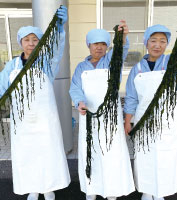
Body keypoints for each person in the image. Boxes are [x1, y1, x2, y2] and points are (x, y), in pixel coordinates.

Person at [0, 6, 70, 200]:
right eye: (26, 40)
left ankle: (48, 188)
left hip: (45, 120)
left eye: (35, 39)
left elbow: (56, 47)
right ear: (20, 43)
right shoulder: (11, 66)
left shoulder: (47, 62)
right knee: (27, 155)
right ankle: (33, 188)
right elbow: (1, 87)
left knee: (47, 153)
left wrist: (59, 29)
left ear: (40, 42)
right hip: (22, 123)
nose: (31, 43)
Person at [124, 21, 177, 200]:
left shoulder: (172, 62)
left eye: (163, 41)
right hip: (143, 120)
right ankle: (147, 191)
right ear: (146, 43)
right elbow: (132, 97)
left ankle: (160, 192)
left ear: (167, 44)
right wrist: (128, 121)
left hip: (167, 121)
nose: (157, 45)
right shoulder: (137, 69)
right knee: (145, 157)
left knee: (165, 157)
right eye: (153, 40)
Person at [69, 20, 135, 200]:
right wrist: (79, 102)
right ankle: (92, 190)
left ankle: (111, 191)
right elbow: (75, 88)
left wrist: (123, 37)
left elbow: (121, 50)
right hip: (88, 117)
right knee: (91, 152)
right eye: (95, 44)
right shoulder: (81, 68)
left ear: (107, 47)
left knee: (110, 153)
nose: (99, 48)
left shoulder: (112, 61)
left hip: (110, 118)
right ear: (88, 45)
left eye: (103, 44)